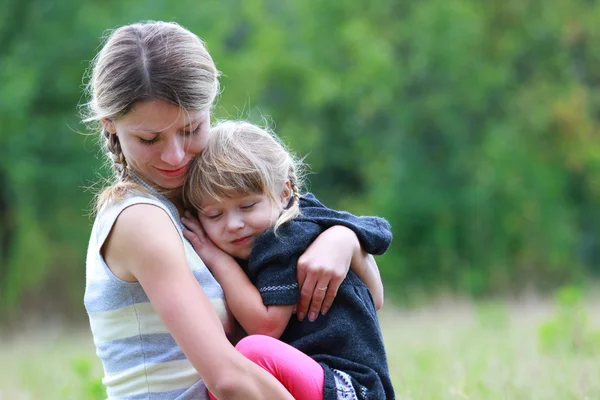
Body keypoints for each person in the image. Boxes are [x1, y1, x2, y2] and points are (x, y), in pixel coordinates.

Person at [82, 21, 385, 399]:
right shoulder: (140, 220)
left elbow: (371, 297)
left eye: (191, 129)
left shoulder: (209, 213)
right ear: (111, 124)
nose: (175, 156)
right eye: (149, 138)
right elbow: (228, 379)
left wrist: (344, 240)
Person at [181, 121, 396, 400]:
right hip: (338, 385)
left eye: (247, 206)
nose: (233, 224)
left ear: (284, 193)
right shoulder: (301, 220)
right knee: (224, 375)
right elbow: (375, 297)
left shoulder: (283, 235)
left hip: (347, 386)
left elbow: (266, 328)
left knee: (248, 358)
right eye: (214, 215)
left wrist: (216, 259)